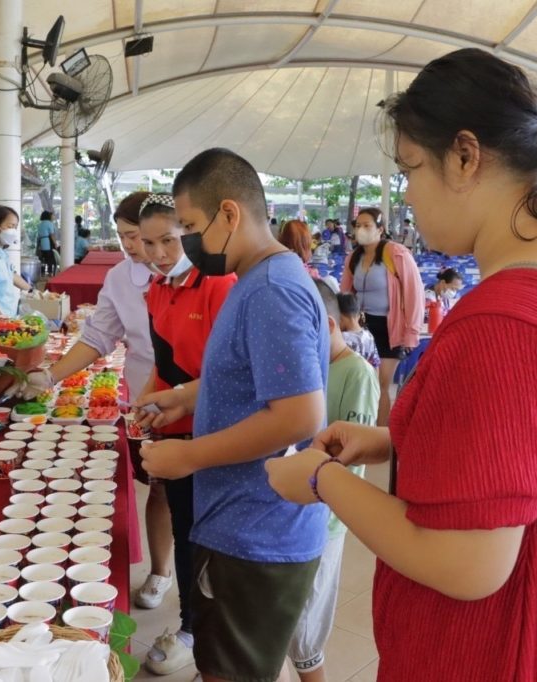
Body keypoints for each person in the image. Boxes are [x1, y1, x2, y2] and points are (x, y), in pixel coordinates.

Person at [265, 48, 537, 682]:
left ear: (465, 157)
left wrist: (323, 480)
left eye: (409, 170)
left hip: (507, 631)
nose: (407, 194)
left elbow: (469, 564)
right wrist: (394, 439)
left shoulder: (501, 324)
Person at [137, 148, 329, 682]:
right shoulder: (260, 279)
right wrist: (188, 396)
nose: (189, 242)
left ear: (229, 213)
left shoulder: (270, 289)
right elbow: (256, 379)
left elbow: (298, 414)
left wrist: (189, 455)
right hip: (244, 519)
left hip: (257, 526)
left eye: (191, 226)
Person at [10, 193, 177, 614]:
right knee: (160, 485)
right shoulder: (122, 279)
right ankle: (161, 571)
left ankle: (198, 600)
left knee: (194, 494)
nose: (134, 248)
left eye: (139, 237)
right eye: (124, 238)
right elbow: (97, 337)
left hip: (192, 396)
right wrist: (49, 377)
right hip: (146, 398)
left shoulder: (192, 274)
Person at [135, 193, 237, 676]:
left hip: (217, 433)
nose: (158, 253)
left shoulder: (220, 284)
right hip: (175, 431)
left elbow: (233, 375)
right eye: (147, 242)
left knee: (214, 537)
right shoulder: (155, 290)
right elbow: (163, 366)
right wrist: (145, 406)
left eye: (169, 240)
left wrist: (173, 397)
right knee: (185, 530)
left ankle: (209, 632)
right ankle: (191, 624)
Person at [289, 279, 378, 682]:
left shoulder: (356, 374)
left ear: (326, 325)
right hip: (292, 506)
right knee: (290, 615)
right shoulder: (306, 366)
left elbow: (349, 459)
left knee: (308, 627)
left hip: (326, 516)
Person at [340, 207, 423, 425]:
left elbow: (414, 293)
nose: (361, 230)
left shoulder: (396, 253)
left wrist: (411, 332)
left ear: (380, 229)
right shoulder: (353, 258)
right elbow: (346, 294)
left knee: (381, 384)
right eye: (358, 226)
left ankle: (380, 436)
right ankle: (360, 427)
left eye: (367, 226)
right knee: (363, 382)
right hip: (361, 329)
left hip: (389, 328)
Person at [337, 293, 379, 370]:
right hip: (365, 380)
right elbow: (375, 365)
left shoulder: (342, 338)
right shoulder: (369, 336)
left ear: (340, 317)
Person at [36, 210, 58, 276]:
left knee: (42, 258)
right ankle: (50, 272)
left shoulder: (40, 224)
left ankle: (42, 272)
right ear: (48, 216)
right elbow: (52, 234)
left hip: (41, 242)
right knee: (50, 258)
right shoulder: (49, 223)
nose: (53, 216)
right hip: (48, 241)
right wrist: (55, 243)